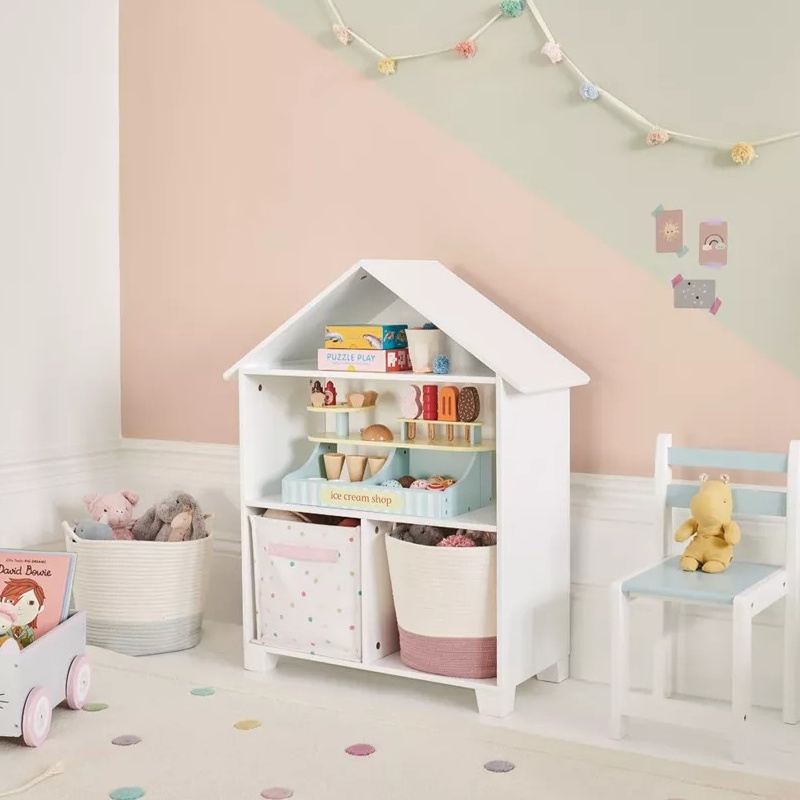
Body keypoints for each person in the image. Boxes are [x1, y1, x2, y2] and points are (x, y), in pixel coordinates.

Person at [0, 578, 46, 649]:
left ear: (40, 609)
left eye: (31, 603)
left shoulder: (29, 632)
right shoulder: (3, 626)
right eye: (11, 601)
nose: (19, 607)